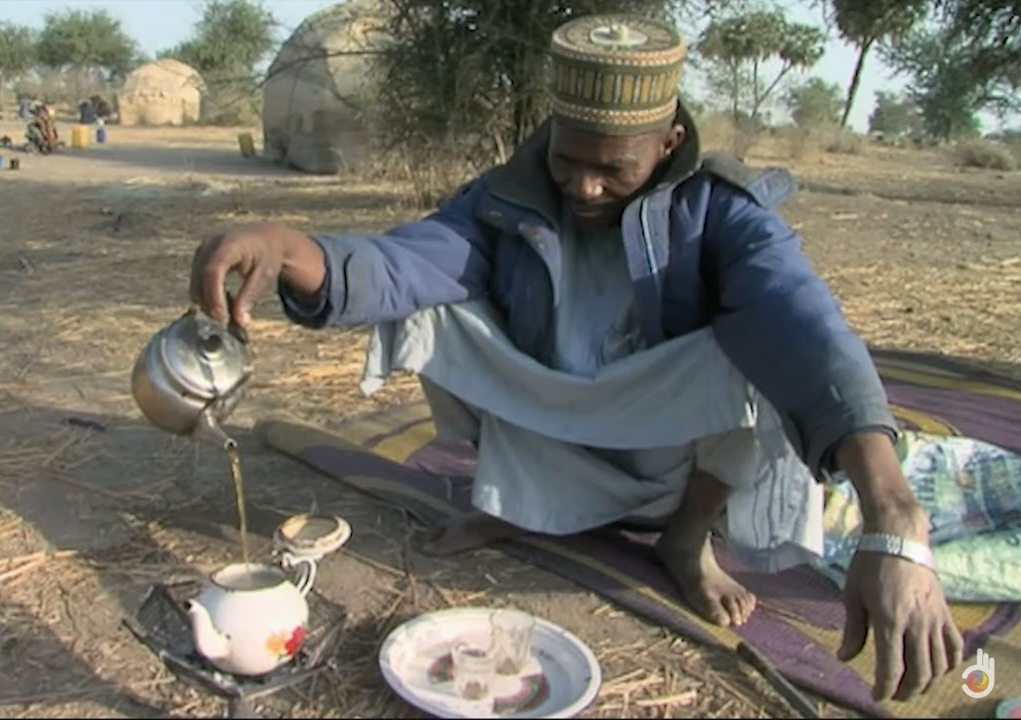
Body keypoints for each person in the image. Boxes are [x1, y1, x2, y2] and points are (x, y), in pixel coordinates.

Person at [186, 13, 963, 703]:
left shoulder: (722, 214)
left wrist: (893, 517)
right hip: (548, 416)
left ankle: (685, 538)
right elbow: (406, 263)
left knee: (758, 355)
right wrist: (292, 249)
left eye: (614, 169)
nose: (584, 186)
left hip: (670, 445)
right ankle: (515, 502)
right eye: (567, 161)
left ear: (669, 144)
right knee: (428, 306)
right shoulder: (505, 196)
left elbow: (808, 329)